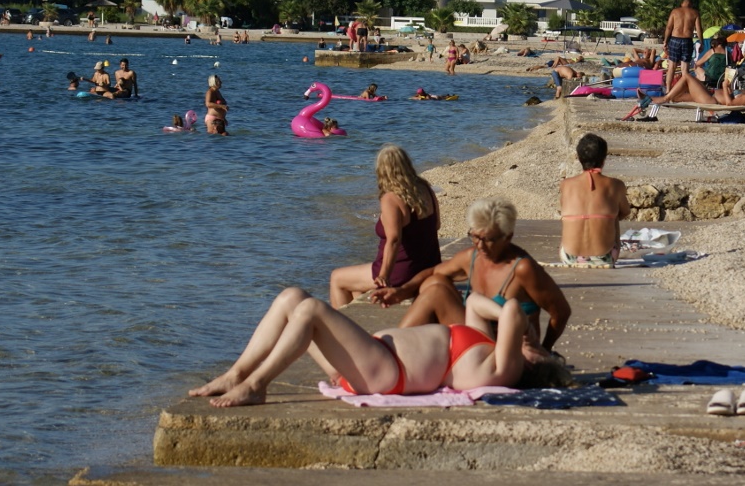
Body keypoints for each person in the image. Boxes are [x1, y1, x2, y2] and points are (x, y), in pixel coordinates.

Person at [188, 288, 527, 407]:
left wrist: (522, 330)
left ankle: (256, 384)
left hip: (386, 372)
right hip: (365, 362)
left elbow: (513, 309)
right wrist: (503, 327)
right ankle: (237, 374)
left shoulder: (501, 370)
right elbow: (475, 302)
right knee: (292, 297)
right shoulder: (487, 346)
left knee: (311, 310)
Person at [369, 198, 572, 353]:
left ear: (508, 236)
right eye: (475, 237)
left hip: (505, 352)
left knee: (436, 293)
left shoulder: (522, 269)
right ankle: (396, 351)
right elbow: (432, 271)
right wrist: (401, 292)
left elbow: (561, 312)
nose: (480, 245)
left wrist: (545, 350)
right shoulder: (472, 257)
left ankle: (388, 352)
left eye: (488, 239)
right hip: (477, 339)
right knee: (435, 281)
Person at [329, 145, 442, 308]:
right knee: (355, 289)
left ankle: (339, 325)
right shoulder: (425, 188)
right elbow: (436, 225)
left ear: (382, 170)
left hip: (402, 271)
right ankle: (359, 320)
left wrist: (384, 275)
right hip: (428, 265)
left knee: (337, 278)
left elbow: (394, 240)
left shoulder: (391, 198)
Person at [559, 134, 630, 268]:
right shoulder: (616, 185)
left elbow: (563, 209)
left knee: (570, 217)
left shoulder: (565, 185)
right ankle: (605, 250)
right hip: (605, 257)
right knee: (613, 216)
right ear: (604, 159)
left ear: (579, 158)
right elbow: (625, 212)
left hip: (569, 256)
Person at [648, 73, 745, 109]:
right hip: (710, 94)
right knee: (677, 97)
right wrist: (729, 89)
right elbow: (730, 98)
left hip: (710, 100)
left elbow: (730, 104)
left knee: (687, 77)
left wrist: (724, 87)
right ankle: (649, 99)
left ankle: (665, 98)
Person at [663, 0, 703, 92]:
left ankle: (668, 90)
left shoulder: (675, 11)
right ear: (691, 5)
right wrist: (701, 42)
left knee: (671, 67)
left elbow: (669, 27)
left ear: (682, 4)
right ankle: (683, 90)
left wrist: (665, 41)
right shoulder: (695, 13)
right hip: (687, 40)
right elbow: (699, 29)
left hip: (675, 39)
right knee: (685, 70)